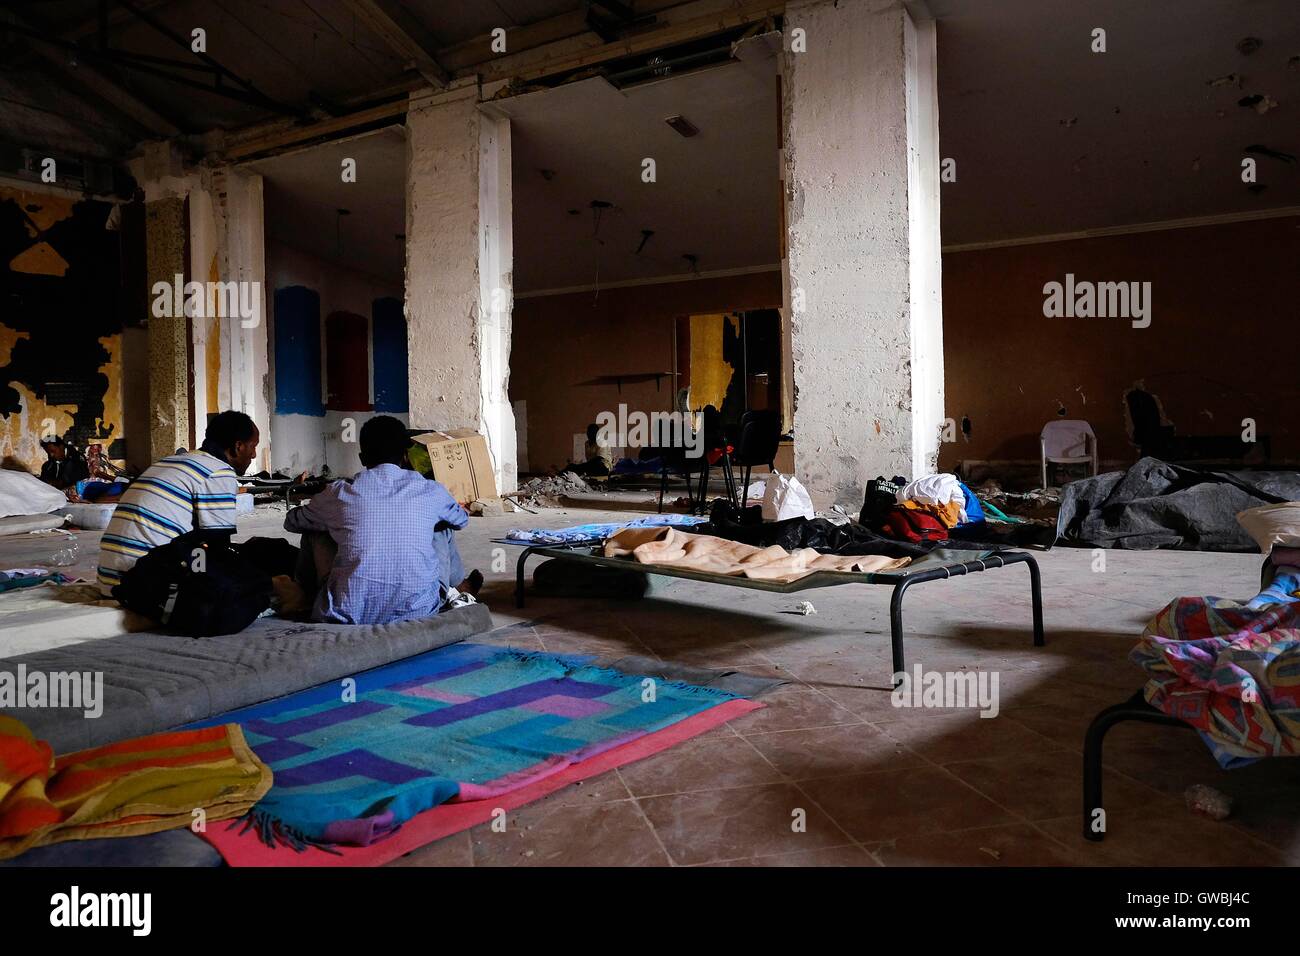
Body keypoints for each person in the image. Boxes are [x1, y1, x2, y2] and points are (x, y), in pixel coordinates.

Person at [283, 415, 480, 625]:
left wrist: (330, 517)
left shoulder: (339, 493)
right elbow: (461, 520)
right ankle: (456, 586)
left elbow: (292, 522)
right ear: (405, 456)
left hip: (346, 612)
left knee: (314, 525)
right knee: (443, 525)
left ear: (362, 458)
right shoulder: (430, 490)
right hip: (419, 609)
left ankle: (303, 595)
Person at [97, 411, 258, 595]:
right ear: (238, 446)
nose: (253, 454)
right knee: (256, 576)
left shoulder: (170, 462)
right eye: (253, 446)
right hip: (141, 586)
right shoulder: (218, 471)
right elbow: (215, 548)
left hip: (109, 580)